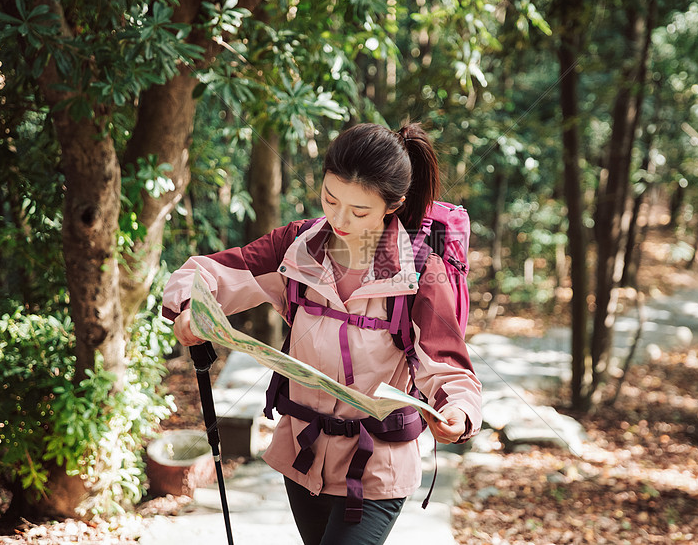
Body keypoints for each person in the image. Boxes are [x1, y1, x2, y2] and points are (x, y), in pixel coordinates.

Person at [162, 122, 482, 545]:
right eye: (331, 199)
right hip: (303, 453)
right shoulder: (296, 248)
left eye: (360, 210)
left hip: (377, 463)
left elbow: (448, 368)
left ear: (393, 205)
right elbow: (206, 274)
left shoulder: (421, 272)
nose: (340, 218)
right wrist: (191, 309)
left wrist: (457, 414)